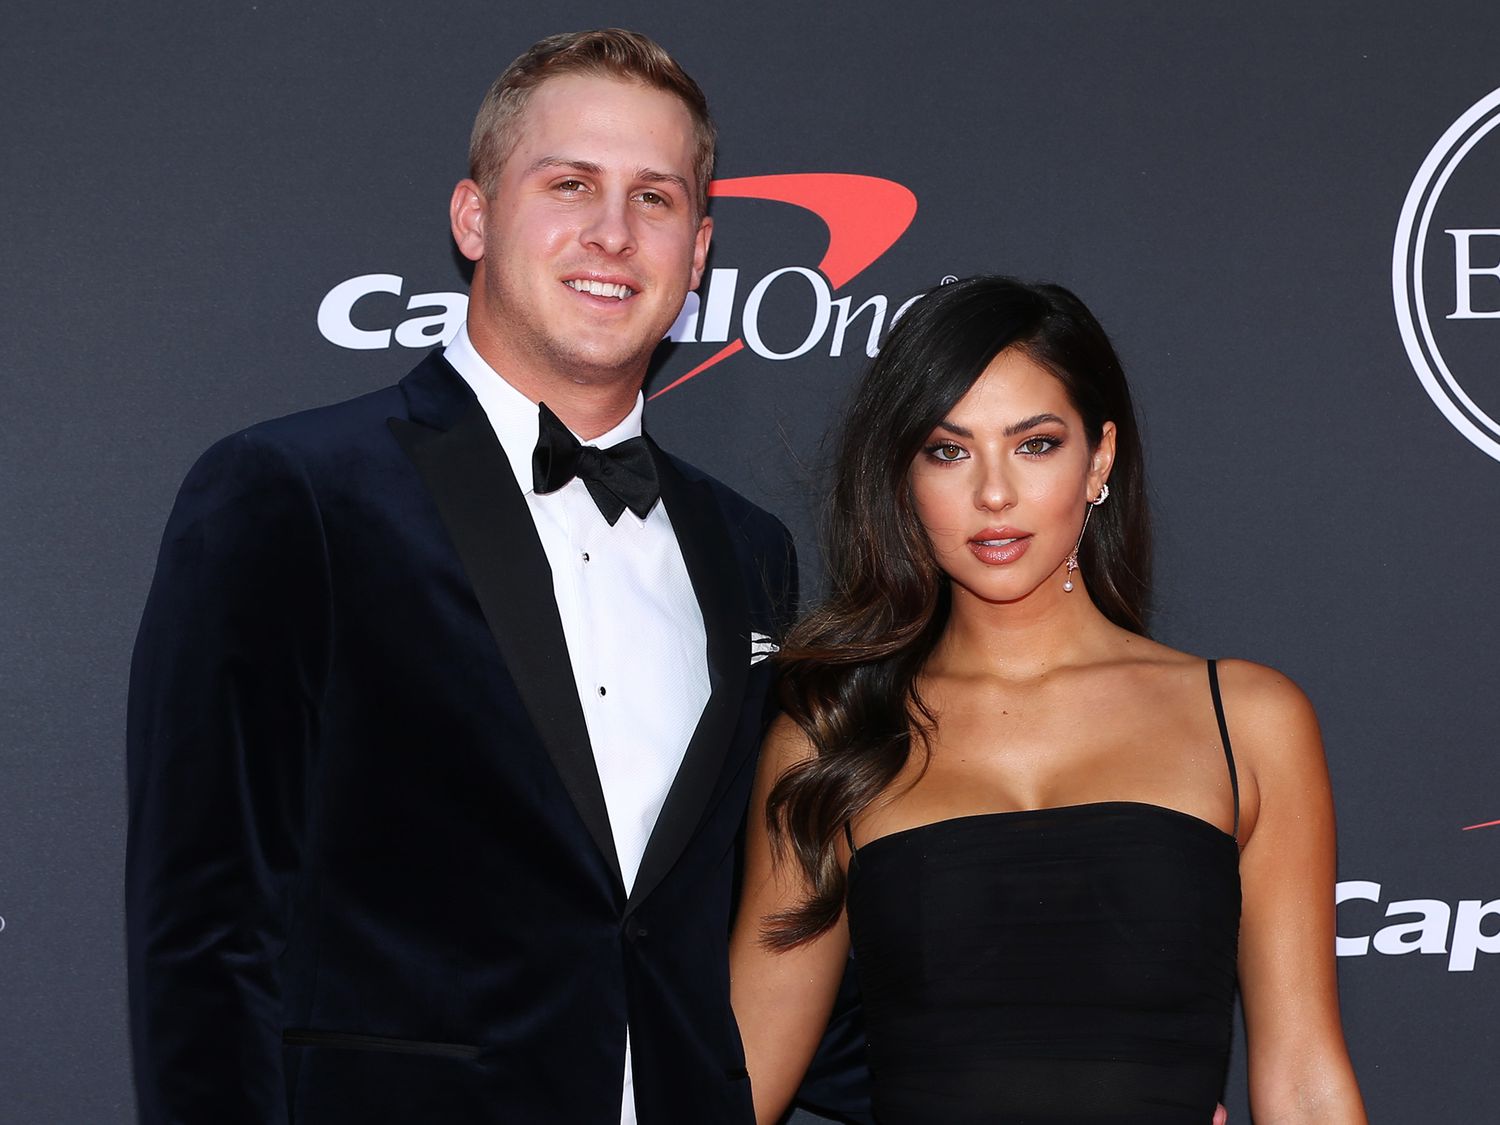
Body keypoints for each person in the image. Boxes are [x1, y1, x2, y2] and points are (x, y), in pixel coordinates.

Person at [126, 29, 833, 1125]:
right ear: (474, 216)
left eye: (654, 198)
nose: (612, 231)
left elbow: (745, 920)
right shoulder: (293, 493)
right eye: (569, 184)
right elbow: (208, 931)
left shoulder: (750, 551)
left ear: (698, 253)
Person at [730, 276, 1367, 1123]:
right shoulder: (828, 742)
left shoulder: (1245, 720)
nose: (994, 493)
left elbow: (1305, 1080)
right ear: (901, 474)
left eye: (1035, 444)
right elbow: (731, 1088)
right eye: (948, 450)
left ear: (1100, 458)